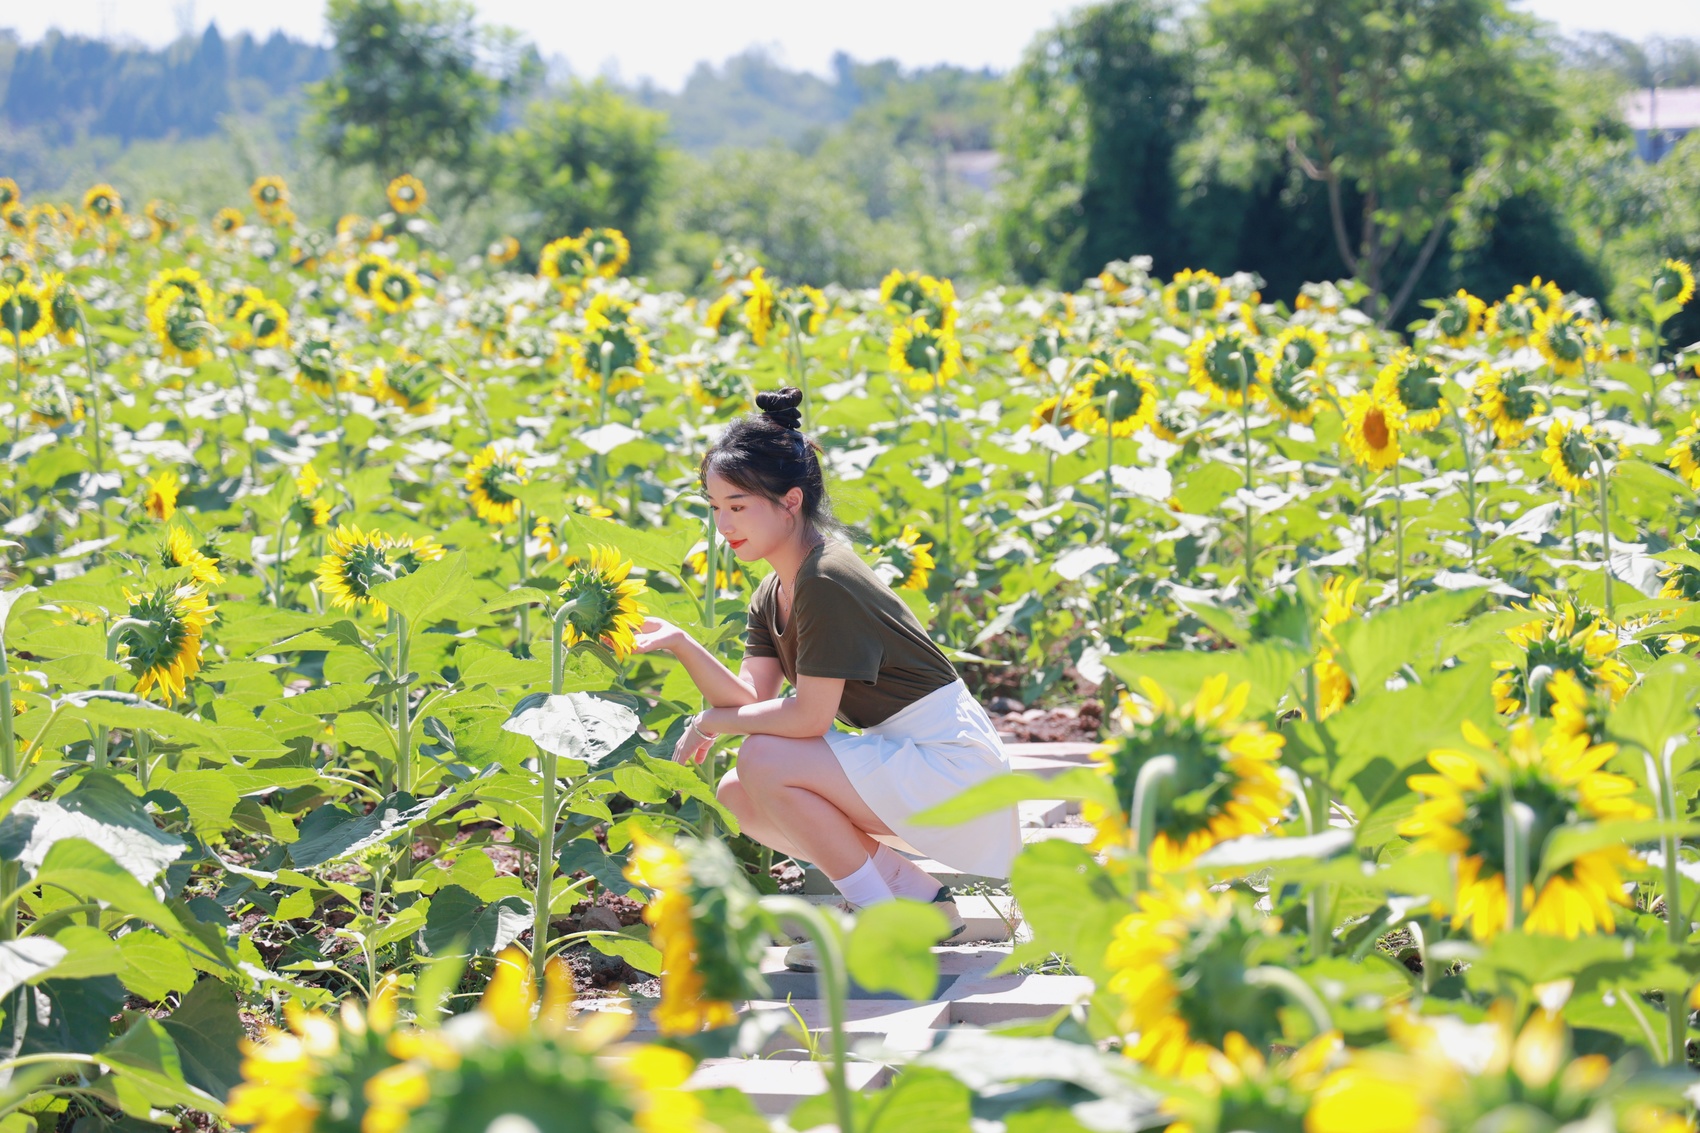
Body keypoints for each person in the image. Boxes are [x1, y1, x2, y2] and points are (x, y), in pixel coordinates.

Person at [630, 386, 1020, 968]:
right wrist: (682, 645)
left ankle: (878, 920)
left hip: (955, 767)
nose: (722, 525)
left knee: (762, 758)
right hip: (911, 759)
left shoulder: (826, 579)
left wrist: (713, 722)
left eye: (738, 506)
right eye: (714, 507)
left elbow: (806, 718)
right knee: (742, 793)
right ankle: (922, 904)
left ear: (790, 501)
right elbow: (750, 699)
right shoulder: (775, 589)